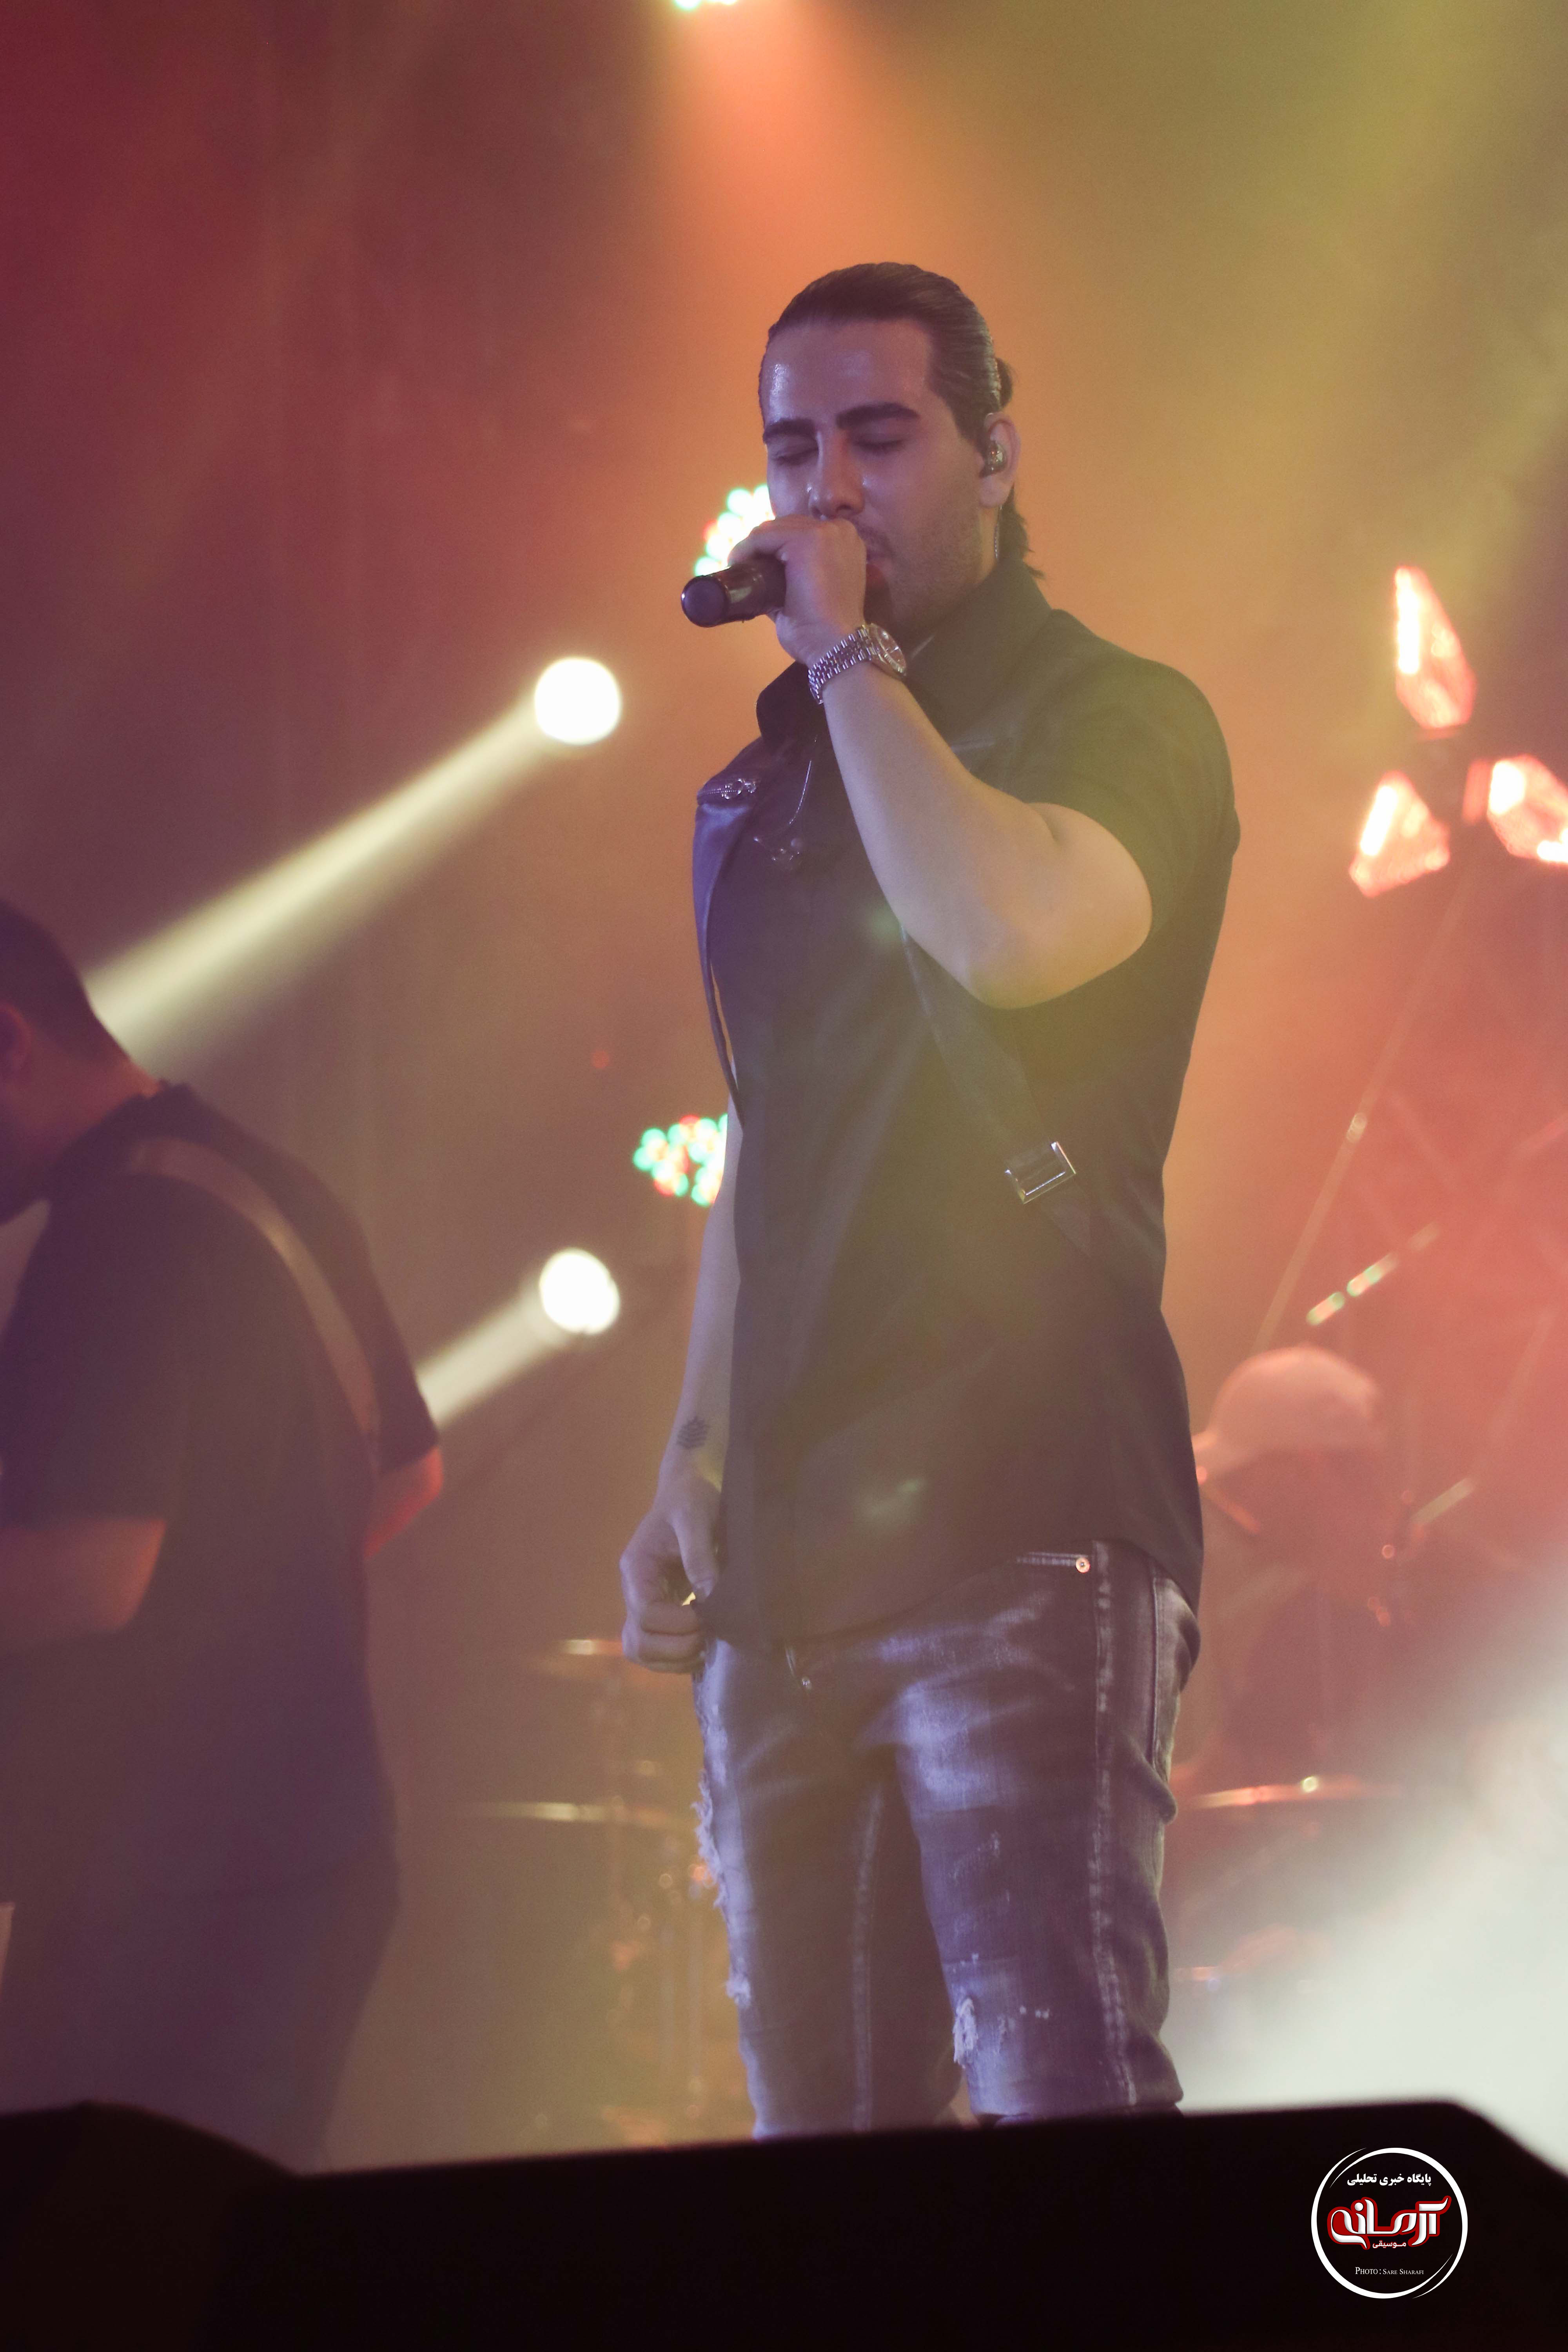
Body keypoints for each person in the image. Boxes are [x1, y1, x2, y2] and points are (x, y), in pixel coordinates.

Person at [620, 263, 1238, 2128]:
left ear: (995, 454)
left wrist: (845, 664)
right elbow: (769, 1132)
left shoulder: (1118, 715)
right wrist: (693, 1455)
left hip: (1018, 1509)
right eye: (789, 450)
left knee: (1059, 2100)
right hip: (788, 1563)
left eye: (877, 439)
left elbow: (1007, 934)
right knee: (822, 2158)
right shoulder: (768, 785)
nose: (825, 489)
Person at [0, 902, 441, 2166]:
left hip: (166, 1884)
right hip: (307, 1858)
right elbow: (408, 1475)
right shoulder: (264, 1180)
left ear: (9, 1039)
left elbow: (88, 1573)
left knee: (90, 2250)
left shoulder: (117, 1234)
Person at [1173, 1347, 1399, 1795]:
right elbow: (1228, 1779)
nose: (1227, 1504)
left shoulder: (1468, 1600)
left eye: (1236, 1481)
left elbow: (1218, 1789)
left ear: (1304, 1470)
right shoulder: (1299, 1628)